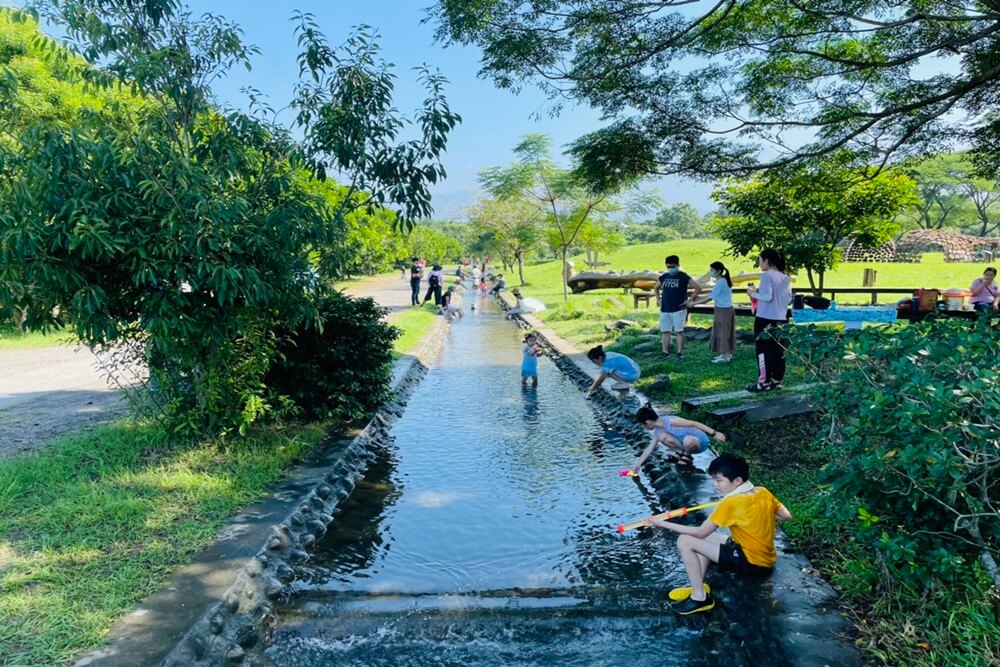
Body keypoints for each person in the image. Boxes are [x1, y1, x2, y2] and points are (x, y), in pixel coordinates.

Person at [645, 453, 792, 615]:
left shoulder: (731, 502)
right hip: (764, 558)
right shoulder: (762, 492)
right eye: (714, 479)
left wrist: (662, 523)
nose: (715, 485)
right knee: (702, 538)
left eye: (719, 480)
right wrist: (758, 514)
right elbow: (786, 516)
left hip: (751, 562)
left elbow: (700, 532)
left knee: (685, 540)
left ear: (737, 480)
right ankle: (698, 585)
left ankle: (700, 598)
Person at [746, 249, 792, 392]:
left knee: (763, 351)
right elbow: (788, 298)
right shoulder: (785, 277)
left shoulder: (766, 276)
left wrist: (753, 293)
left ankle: (763, 382)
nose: (760, 264)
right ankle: (776, 380)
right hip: (782, 319)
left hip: (765, 319)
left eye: (760, 260)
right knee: (779, 351)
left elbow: (767, 297)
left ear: (766, 261)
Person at [630, 403, 726, 472]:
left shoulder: (671, 421)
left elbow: (693, 423)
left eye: (642, 425)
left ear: (647, 422)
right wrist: (638, 464)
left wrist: (714, 433)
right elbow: (649, 448)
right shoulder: (658, 431)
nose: (643, 427)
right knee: (663, 437)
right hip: (684, 444)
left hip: (698, 441)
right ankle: (681, 453)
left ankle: (687, 455)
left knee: (687, 440)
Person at [686, 261, 735, 363]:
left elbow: (710, 298)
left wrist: (694, 303)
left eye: (712, 270)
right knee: (724, 331)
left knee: (723, 333)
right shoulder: (723, 281)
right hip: (724, 309)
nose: (710, 272)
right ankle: (725, 354)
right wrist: (697, 298)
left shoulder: (721, 282)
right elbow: (712, 295)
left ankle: (726, 357)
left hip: (723, 310)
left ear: (719, 271)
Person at [655, 254, 701, 361]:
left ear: (678, 265)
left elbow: (698, 288)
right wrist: (658, 300)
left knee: (679, 331)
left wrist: (689, 300)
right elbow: (656, 288)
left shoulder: (683, 276)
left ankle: (680, 352)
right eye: (668, 267)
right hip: (665, 309)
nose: (671, 269)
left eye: (673, 266)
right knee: (665, 331)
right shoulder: (664, 277)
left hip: (679, 309)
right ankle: (665, 352)